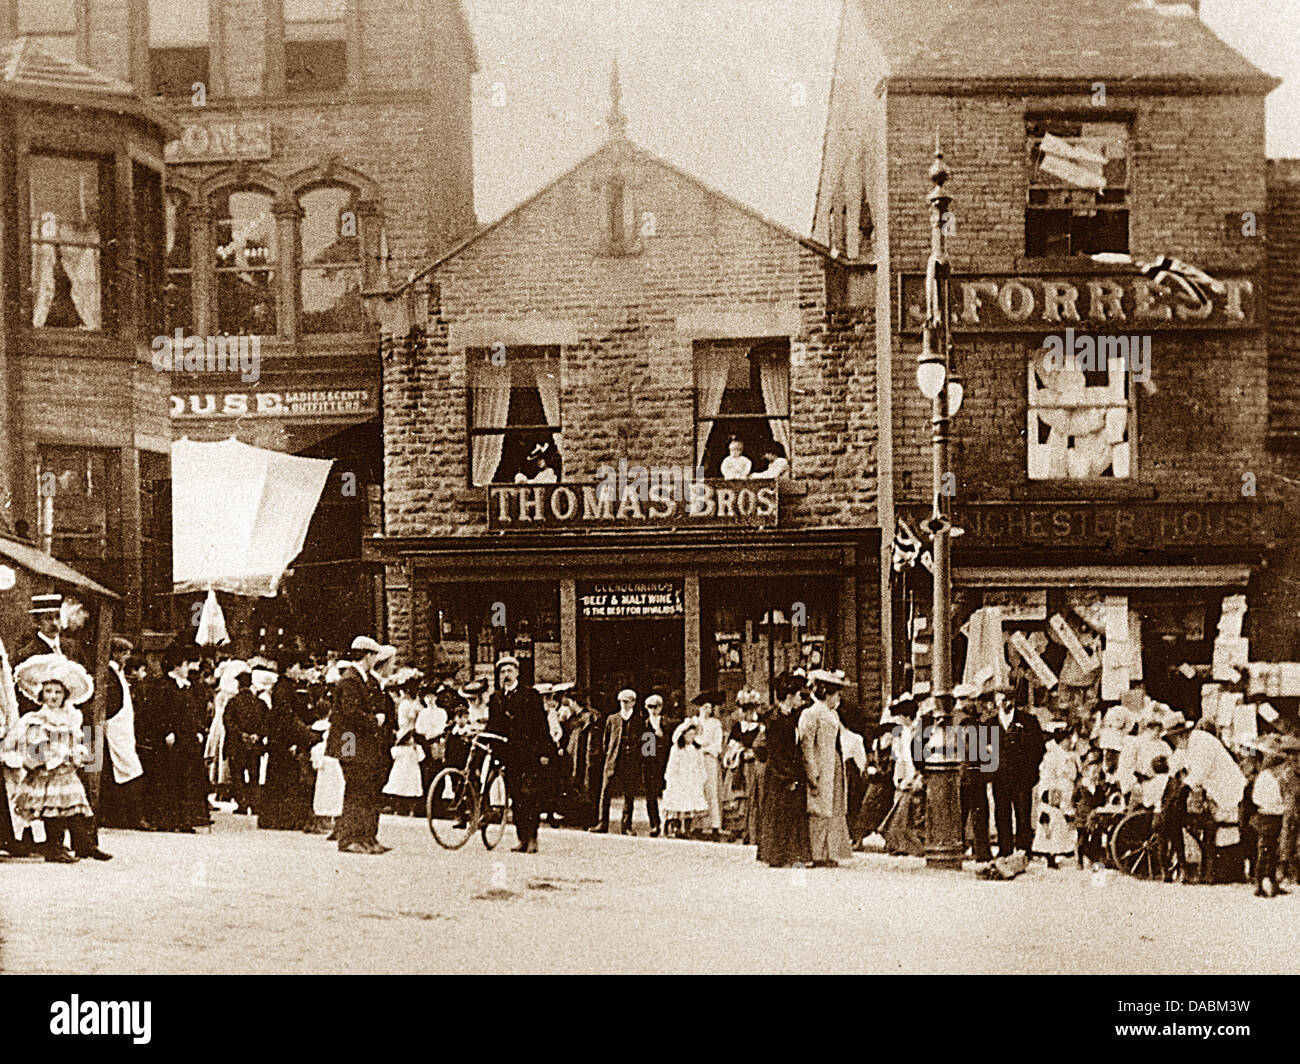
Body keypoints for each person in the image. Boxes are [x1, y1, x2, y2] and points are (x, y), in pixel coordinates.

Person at [9, 655, 111, 862]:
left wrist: (77, 751)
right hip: (48, 771)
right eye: (48, 691)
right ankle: (54, 848)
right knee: (53, 810)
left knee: (76, 807)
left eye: (58, 692)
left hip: (67, 770)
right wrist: (55, 755)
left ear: (65, 695)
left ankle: (85, 845)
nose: (53, 696)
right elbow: (36, 748)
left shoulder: (71, 717)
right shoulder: (36, 719)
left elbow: (76, 739)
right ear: (41, 694)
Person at [330, 636, 390, 854]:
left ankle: (366, 837)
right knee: (356, 788)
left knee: (367, 788)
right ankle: (349, 838)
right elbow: (350, 713)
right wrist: (374, 720)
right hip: (350, 742)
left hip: (360, 742)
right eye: (374, 655)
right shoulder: (350, 680)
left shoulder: (364, 679)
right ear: (368, 656)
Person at [488, 655, 552, 853]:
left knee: (529, 796)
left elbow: (542, 726)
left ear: (517, 673)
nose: (506, 675)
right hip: (508, 756)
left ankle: (532, 837)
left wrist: (544, 752)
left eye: (510, 671)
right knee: (515, 797)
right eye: (502, 672)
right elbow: (493, 726)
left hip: (529, 755)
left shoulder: (530, 695)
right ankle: (521, 838)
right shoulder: (496, 698)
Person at [798, 670, 855, 866]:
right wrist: (812, 772)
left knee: (834, 809)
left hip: (834, 764)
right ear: (826, 693)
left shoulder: (833, 714)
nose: (838, 699)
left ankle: (829, 850)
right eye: (836, 694)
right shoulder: (811, 713)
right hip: (821, 766)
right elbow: (807, 745)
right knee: (819, 811)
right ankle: (817, 854)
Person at [756, 671, 812, 867]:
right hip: (780, 775)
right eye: (798, 695)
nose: (800, 699)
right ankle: (777, 855)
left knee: (791, 814)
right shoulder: (776, 720)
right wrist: (787, 777)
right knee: (779, 814)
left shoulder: (790, 717)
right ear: (789, 696)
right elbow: (776, 753)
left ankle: (790, 854)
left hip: (791, 771)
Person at [592, 688, 659, 836]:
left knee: (629, 794)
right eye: (621, 702)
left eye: (627, 702)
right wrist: (609, 755)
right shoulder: (612, 719)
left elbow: (648, 742)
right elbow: (606, 740)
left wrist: (645, 760)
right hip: (614, 760)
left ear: (633, 703)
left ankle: (626, 826)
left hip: (632, 762)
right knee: (606, 792)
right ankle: (602, 823)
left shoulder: (640, 720)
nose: (623, 704)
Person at [97, 636, 148, 830]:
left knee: (127, 768)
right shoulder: (108, 673)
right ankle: (128, 817)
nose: (127, 657)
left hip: (123, 729)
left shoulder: (118, 673)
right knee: (125, 768)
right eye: (124, 653)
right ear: (115, 653)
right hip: (114, 727)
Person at [991, 685, 1045, 857]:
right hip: (1000, 777)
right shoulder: (990, 723)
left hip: (1022, 777)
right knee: (1002, 812)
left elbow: (1039, 748)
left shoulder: (1028, 721)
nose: (1003, 703)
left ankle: (1023, 849)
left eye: (1006, 699)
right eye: (999, 699)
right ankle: (1005, 849)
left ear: (1012, 700)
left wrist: (1030, 771)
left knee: (1023, 813)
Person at [955, 685, 993, 862]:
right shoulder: (968, 723)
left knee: (961, 814)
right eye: (974, 700)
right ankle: (981, 852)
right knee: (979, 813)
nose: (977, 704)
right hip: (971, 773)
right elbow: (970, 749)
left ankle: (960, 848)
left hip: (961, 774)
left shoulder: (955, 719)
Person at [224, 671, 267, 817]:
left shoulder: (233, 702)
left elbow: (228, 722)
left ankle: (242, 803)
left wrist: (242, 734)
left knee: (237, 774)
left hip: (237, 744)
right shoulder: (260, 703)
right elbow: (266, 722)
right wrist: (257, 735)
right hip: (255, 745)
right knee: (254, 774)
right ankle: (254, 804)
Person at [1250, 739, 1289, 898]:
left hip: (1274, 815)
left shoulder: (1272, 778)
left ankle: (1272, 883)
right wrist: (1277, 803)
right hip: (1267, 816)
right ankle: (1259, 884)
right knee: (1265, 850)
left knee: (1272, 851)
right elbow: (1257, 799)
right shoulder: (1266, 778)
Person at [662, 718, 707, 837]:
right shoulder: (677, 749)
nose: (691, 737)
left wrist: (701, 778)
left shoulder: (697, 750)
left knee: (691, 804)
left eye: (693, 735)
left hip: (692, 779)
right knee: (677, 802)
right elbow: (672, 765)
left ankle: (687, 828)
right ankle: (675, 827)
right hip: (679, 779)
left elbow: (700, 765)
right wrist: (672, 778)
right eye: (688, 734)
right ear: (683, 735)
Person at [692, 691, 725, 839]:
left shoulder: (715, 724)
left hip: (710, 759)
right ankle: (698, 825)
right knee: (697, 790)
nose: (707, 710)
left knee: (712, 791)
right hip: (696, 760)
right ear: (699, 708)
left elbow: (717, 745)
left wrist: (704, 748)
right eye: (704, 707)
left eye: (709, 707)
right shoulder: (693, 722)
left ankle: (715, 826)